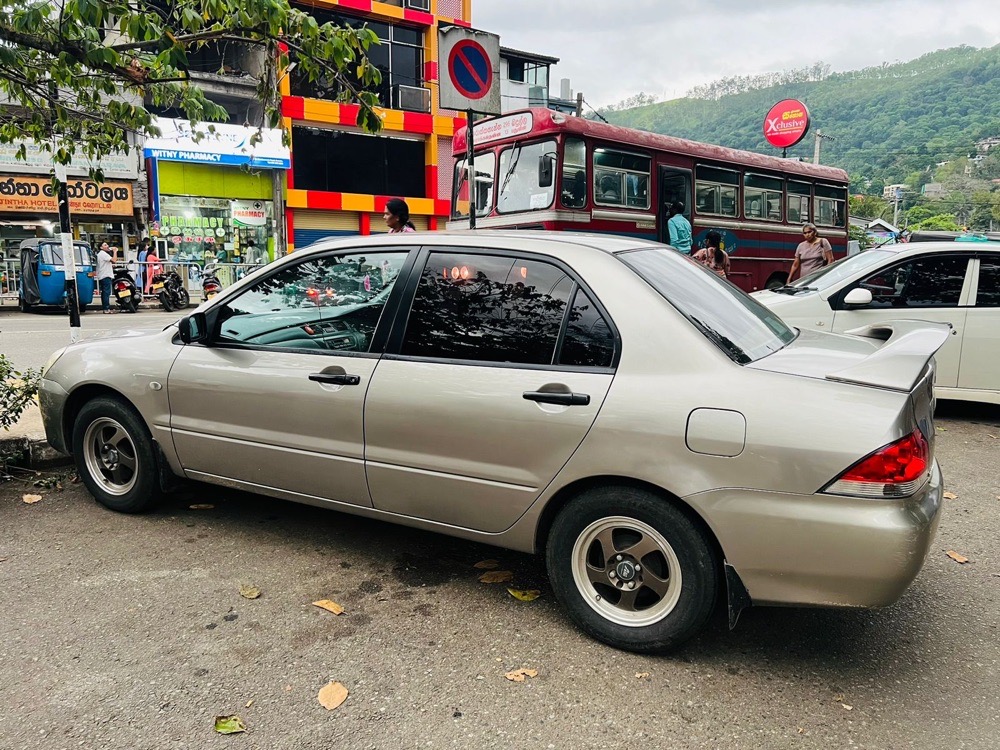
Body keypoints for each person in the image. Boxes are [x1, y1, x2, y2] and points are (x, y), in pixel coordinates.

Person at [96, 242, 115, 313]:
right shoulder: (103, 254)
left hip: (103, 274)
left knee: (105, 292)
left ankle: (106, 308)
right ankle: (106, 308)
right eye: (105, 245)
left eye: (107, 244)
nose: (107, 246)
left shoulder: (101, 254)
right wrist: (115, 251)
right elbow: (114, 260)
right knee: (106, 293)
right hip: (105, 275)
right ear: (101, 247)